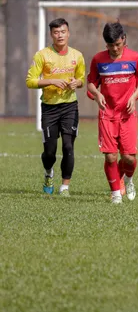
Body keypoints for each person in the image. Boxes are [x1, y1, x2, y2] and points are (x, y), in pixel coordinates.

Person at [87, 22, 138, 204]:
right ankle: (115, 194)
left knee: (128, 158)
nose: (114, 49)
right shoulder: (98, 59)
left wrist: (134, 97)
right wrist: (97, 94)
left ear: (124, 39)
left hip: (127, 114)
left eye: (117, 45)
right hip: (107, 114)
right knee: (110, 155)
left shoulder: (135, 57)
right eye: (110, 45)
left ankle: (128, 180)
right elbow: (90, 83)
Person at [26, 18, 85, 196]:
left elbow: (82, 79)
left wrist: (77, 83)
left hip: (70, 106)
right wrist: (50, 81)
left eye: (63, 32)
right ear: (51, 34)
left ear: (68, 33)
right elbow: (30, 81)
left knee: (68, 146)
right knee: (49, 152)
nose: (60, 35)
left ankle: (65, 186)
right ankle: (48, 173)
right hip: (49, 108)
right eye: (56, 32)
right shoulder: (42, 55)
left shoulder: (77, 56)